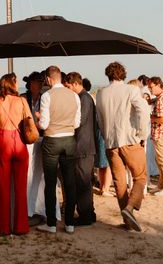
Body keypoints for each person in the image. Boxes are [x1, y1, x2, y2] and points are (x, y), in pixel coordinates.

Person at [95, 62, 149, 232]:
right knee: (140, 177)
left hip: (111, 142)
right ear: (123, 74)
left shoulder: (101, 93)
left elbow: (100, 119)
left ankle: (127, 221)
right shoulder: (131, 90)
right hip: (129, 139)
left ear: (108, 74)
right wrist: (142, 133)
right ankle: (129, 208)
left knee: (120, 182)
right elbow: (143, 111)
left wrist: (105, 135)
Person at [37, 66, 80, 234]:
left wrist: (40, 119)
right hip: (69, 139)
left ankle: (52, 223)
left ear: (48, 79)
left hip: (52, 141)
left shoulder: (47, 96)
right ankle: (69, 223)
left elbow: (44, 124)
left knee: (50, 182)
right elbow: (76, 123)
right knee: (69, 182)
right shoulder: (74, 96)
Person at [0, 73, 31, 235]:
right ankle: (21, 227)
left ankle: (3, 227)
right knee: (21, 187)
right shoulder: (22, 101)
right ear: (13, 85)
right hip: (19, 141)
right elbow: (29, 122)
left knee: (3, 187)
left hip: (3, 140)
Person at [64, 72, 97, 225]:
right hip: (84, 146)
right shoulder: (85, 98)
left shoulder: (84, 98)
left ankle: (85, 216)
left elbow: (80, 120)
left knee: (83, 182)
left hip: (83, 146)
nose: (68, 90)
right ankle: (89, 213)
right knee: (83, 182)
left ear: (75, 84)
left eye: (68, 86)